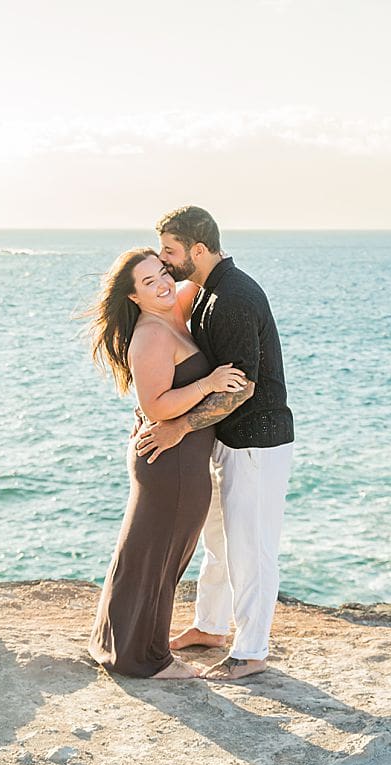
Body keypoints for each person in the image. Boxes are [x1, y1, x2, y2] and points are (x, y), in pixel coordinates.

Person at [136, 206, 295, 681]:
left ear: (198, 250)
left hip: (257, 444)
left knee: (252, 548)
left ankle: (251, 651)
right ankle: (209, 626)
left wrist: (178, 427)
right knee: (219, 543)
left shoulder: (234, 298)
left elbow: (242, 385)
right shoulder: (208, 290)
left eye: (170, 250)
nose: (164, 261)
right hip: (229, 439)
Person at [86, 247, 247, 679]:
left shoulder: (175, 303)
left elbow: (208, 270)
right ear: (133, 296)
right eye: (148, 282)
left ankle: (116, 644)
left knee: (146, 555)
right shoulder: (151, 333)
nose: (161, 284)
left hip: (177, 460)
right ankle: (147, 660)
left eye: (162, 272)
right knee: (156, 558)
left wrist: (192, 245)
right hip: (170, 461)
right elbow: (156, 406)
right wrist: (210, 383)